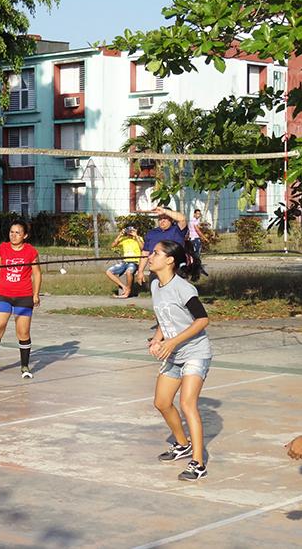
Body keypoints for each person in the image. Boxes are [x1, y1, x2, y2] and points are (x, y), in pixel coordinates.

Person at [148, 239, 212, 482]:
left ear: (169, 260)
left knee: (187, 404)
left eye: (155, 253)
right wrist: (157, 339)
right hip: (173, 353)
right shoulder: (155, 286)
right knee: (162, 402)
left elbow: (202, 320)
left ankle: (198, 463)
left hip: (195, 352)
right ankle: (182, 444)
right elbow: (163, 319)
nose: (150, 257)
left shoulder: (183, 288)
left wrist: (173, 342)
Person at [0, 220, 41, 379]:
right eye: (11, 232)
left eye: (18, 233)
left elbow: (36, 274)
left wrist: (36, 294)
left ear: (25, 235)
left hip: (23, 296)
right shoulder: (3, 248)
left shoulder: (30, 251)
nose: (14, 235)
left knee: (23, 332)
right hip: (3, 294)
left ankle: (24, 365)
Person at [136, 206, 187, 287]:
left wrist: (164, 210)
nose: (162, 221)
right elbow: (145, 252)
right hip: (156, 271)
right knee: (157, 296)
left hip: (174, 270)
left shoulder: (177, 230)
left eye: (165, 218)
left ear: (171, 219)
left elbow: (182, 219)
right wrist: (140, 271)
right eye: (160, 218)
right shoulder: (152, 233)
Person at [105, 226, 143, 299]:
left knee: (129, 272)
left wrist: (136, 236)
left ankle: (128, 291)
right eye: (129, 231)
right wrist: (120, 235)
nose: (130, 233)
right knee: (108, 272)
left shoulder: (139, 238)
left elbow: (142, 248)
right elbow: (113, 245)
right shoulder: (124, 239)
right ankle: (123, 287)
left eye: (131, 231)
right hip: (124, 262)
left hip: (134, 262)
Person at [188, 209, 210, 277]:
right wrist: (204, 238)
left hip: (193, 239)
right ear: (194, 214)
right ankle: (196, 270)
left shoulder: (194, 220)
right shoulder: (193, 220)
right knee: (196, 256)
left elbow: (198, 227)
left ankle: (196, 269)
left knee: (195, 255)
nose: (198, 215)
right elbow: (197, 230)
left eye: (199, 214)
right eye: (197, 214)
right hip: (195, 239)